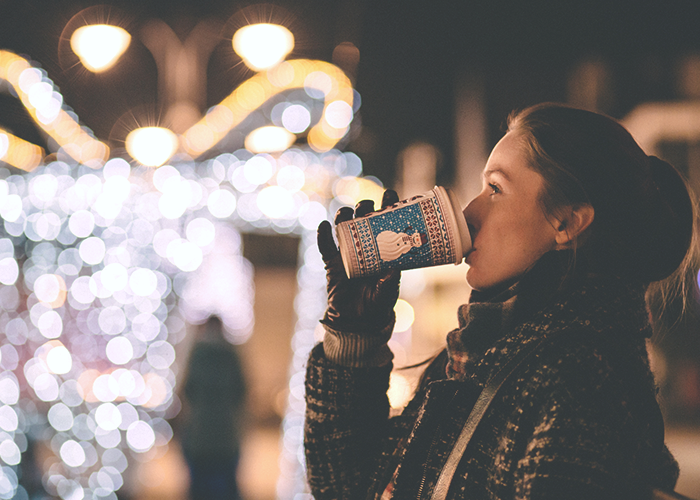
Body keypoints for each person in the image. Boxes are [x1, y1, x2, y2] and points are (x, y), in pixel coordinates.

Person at [304, 103, 698, 499]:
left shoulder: (581, 379)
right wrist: (355, 336)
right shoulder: (480, 353)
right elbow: (346, 487)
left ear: (567, 223)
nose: (470, 212)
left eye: (495, 188)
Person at [180, 316, 247, 500]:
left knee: (200, 489)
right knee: (225, 488)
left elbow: (188, 390)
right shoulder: (231, 355)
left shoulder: (198, 354)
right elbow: (241, 391)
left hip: (201, 435)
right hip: (226, 436)